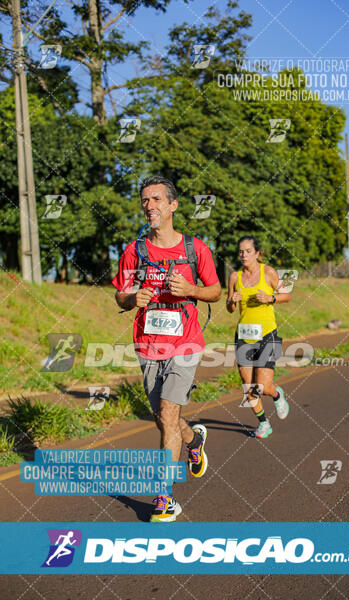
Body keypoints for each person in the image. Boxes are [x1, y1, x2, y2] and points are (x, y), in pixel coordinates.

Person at [113, 176, 221, 522]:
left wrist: (190, 289)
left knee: (168, 414)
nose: (149, 206)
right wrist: (133, 299)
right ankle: (194, 443)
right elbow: (120, 294)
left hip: (186, 342)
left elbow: (215, 291)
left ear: (173, 205)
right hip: (148, 345)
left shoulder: (195, 249)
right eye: (145, 200)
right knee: (165, 418)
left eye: (156, 199)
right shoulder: (135, 250)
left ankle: (164, 498)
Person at [226, 236, 290, 438]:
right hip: (244, 336)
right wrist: (232, 301)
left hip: (266, 335)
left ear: (257, 253)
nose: (243, 255)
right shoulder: (235, 277)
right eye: (241, 252)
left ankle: (277, 394)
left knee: (262, 387)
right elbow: (230, 307)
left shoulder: (268, 272)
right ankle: (264, 424)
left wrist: (271, 298)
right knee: (249, 387)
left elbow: (286, 295)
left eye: (248, 251)